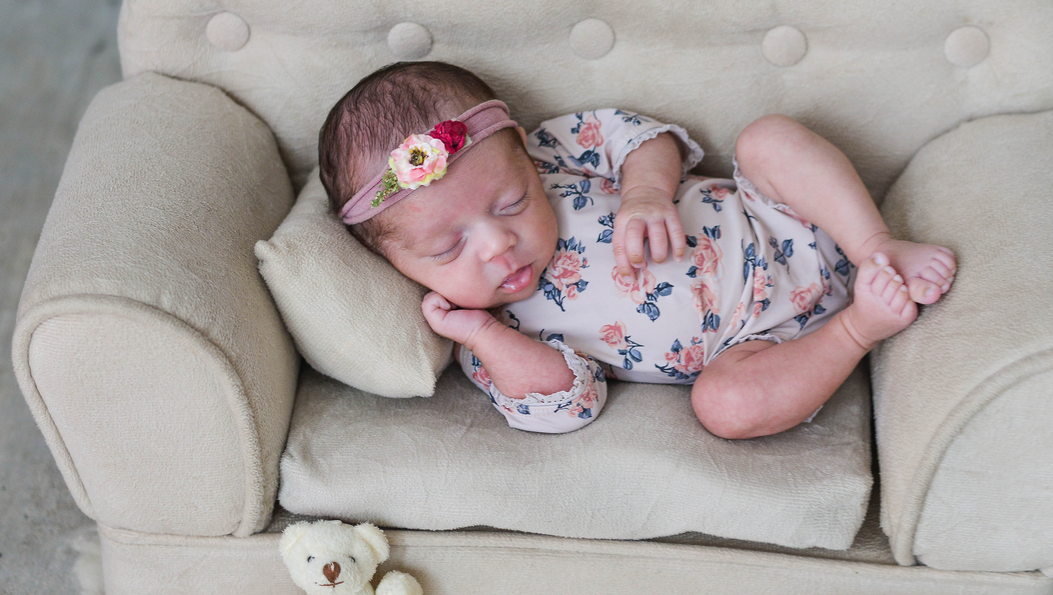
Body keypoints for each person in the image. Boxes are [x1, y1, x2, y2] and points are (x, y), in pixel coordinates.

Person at [320, 61, 956, 438]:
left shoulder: (548, 152)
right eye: (447, 247)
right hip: (761, 342)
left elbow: (640, 137)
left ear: (520, 152)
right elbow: (572, 400)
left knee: (768, 140)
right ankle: (857, 329)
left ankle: (877, 246)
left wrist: (646, 193)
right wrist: (482, 337)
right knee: (724, 407)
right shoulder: (491, 338)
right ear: (395, 264)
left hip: (779, 216)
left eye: (512, 202)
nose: (498, 244)